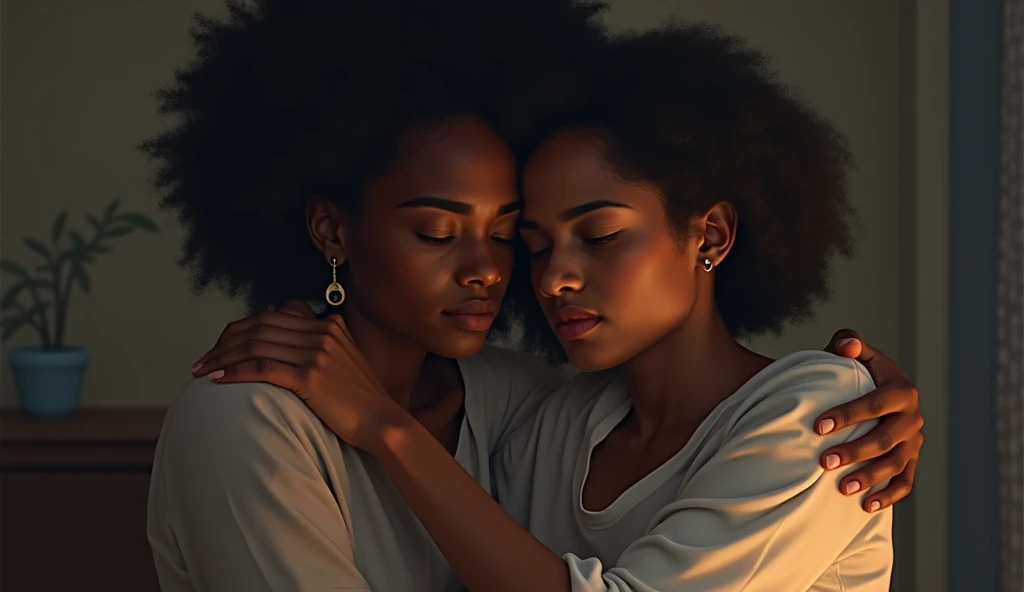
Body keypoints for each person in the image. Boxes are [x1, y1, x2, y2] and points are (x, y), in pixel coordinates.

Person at [148, 2, 923, 591]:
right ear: (330, 228)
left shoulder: (823, 418)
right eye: (538, 243)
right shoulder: (549, 418)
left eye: (601, 233)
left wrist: (383, 425)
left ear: (711, 234)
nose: (540, 277)